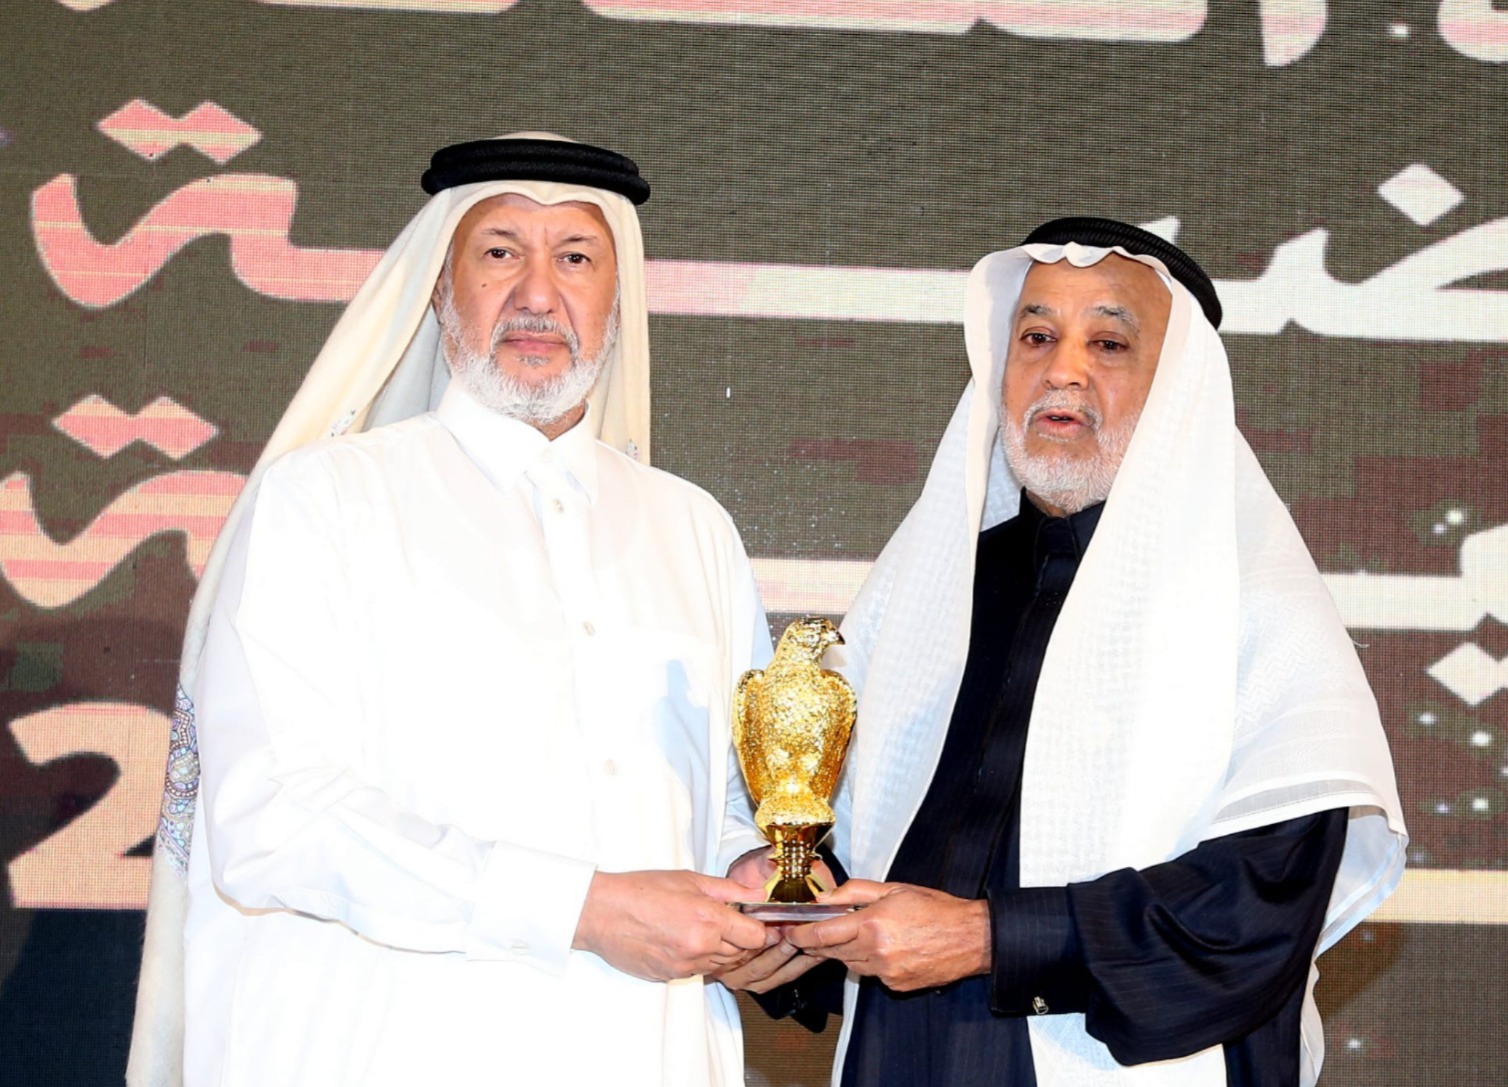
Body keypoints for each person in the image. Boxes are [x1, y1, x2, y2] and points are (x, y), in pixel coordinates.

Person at [126, 134, 775, 1087]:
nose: (538, 294)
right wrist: (581, 908)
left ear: (617, 297)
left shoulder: (693, 528)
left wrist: (755, 871)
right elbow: (273, 817)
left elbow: (719, 800)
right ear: (439, 286)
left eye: (577, 258)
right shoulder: (324, 500)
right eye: (501, 251)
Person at [734, 219, 1407, 1087]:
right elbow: (870, 850)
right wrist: (794, 919)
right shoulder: (931, 594)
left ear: (1177, 386)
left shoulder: (1253, 603)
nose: (1064, 370)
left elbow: (1254, 914)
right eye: (1037, 336)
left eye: (1109, 343)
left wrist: (989, 938)